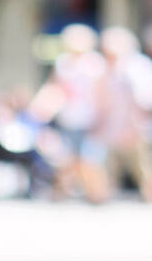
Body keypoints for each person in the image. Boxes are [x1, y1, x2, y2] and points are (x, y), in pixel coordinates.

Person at [29, 24, 110, 202]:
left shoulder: (95, 64)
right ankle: (62, 190)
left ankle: (97, 193)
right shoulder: (63, 63)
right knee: (66, 156)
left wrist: (103, 115)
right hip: (68, 117)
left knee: (90, 157)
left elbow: (103, 93)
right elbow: (55, 87)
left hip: (90, 118)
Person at [95, 27, 152, 202]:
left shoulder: (138, 66)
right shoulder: (109, 68)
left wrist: (136, 124)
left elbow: (148, 99)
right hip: (114, 128)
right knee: (109, 168)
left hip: (137, 128)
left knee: (147, 167)